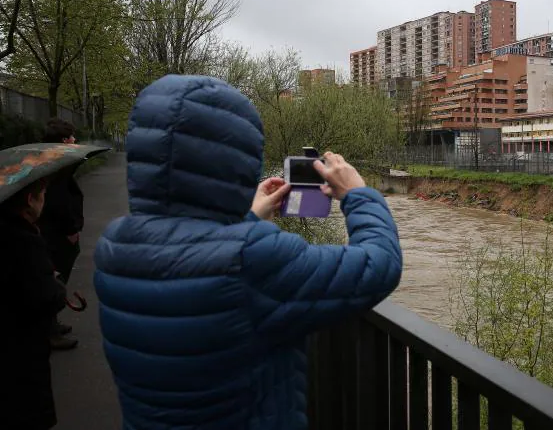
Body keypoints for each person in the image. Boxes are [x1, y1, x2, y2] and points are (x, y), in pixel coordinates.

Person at [95, 75, 403, 430]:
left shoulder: (115, 245)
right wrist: (356, 194)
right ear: (237, 160)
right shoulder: (252, 258)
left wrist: (247, 215)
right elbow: (379, 264)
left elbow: (189, 249)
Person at [0, 179, 67, 429]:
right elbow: (47, 298)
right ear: (30, 200)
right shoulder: (23, 240)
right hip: (19, 350)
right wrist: (56, 286)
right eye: (43, 195)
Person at [39, 118, 83, 350]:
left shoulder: (51, 162)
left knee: (54, 276)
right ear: (64, 141)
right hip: (57, 233)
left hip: (52, 231)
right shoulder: (58, 167)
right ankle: (49, 331)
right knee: (55, 277)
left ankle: (52, 324)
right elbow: (59, 203)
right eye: (72, 137)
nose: (75, 140)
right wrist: (70, 230)